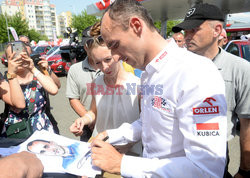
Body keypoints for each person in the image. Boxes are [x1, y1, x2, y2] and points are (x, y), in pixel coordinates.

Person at [89, 0, 227, 177]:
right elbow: (149, 123)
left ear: (136, 26)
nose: (115, 57)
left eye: (115, 45)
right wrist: (111, 135)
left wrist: (121, 163)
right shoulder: (149, 73)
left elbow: (206, 169)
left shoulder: (195, 72)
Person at [172, 3, 250, 178]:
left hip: (215, 157)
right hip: (175, 158)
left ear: (217, 30)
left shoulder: (240, 69)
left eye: (194, 30)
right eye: (186, 31)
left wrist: (245, 170)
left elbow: (247, 123)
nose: (187, 36)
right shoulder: (175, 67)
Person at [70, 21, 142, 156]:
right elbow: (93, 112)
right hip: (99, 148)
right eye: (98, 62)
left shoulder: (137, 85)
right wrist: (83, 120)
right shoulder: (96, 82)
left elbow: (147, 124)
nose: (104, 67)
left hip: (129, 155)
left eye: (108, 59)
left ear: (117, 53)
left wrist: (128, 145)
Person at [4, 42, 58, 133]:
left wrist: (33, 68)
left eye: (21, 56)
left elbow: (54, 90)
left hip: (42, 127)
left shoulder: (37, 74)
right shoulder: (6, 79)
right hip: (17, 130)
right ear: (7, 60)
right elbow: (19, 105)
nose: (18, 59)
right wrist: (12, 73)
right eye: (13, 57)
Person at [66, 24, 101, 141]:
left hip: (114, 125)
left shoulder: (115, 65)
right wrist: (89, 119)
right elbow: (73, 99)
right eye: (89, 44)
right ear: (85, 47)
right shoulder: (75, 70)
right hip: (87, 127)